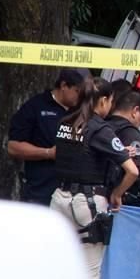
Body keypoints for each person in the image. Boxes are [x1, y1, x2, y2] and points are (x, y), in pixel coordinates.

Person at [50, 77, 139, 279]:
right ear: (104, 100)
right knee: (90, 274)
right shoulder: (100, 128)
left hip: (59, 198)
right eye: (110, 101)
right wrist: (117, 194)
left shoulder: (65, 122)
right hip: (86, 205)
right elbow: (132, 171)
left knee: (61, 268)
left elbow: (79, 154)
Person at [7, 68, 87, 204]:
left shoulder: (80, 111)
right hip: (40, 192)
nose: (79, 96)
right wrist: (48, 153)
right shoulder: (36, 106)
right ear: (63, 86)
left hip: (72, 198)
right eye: (77, 91)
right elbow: (13, 147)